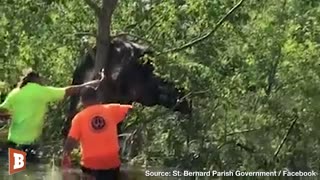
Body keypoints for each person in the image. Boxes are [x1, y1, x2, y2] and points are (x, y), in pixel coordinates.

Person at [0, 69, 105, 158]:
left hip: (13, 141)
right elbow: (69, 91)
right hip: (29, 143)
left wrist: (8, 115)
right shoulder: (40, 91)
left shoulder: (15, 93)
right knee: (31, 173)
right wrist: (92, 84)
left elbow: (2, 110)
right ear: (37, 79)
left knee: (16, 173)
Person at [62, 86, 132, 180]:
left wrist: (66, 154)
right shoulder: (111, 109)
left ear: (82, 101)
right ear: (97, 97)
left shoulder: (79, 118)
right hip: (111, 164)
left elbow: (71, 140)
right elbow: (131, 109)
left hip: (90, 166)